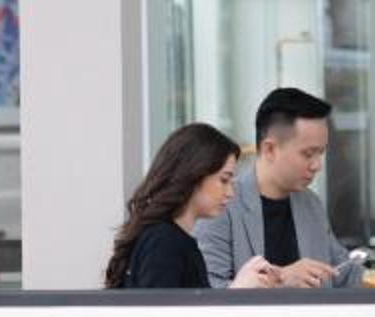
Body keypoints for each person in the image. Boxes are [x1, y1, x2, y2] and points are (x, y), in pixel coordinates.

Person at [199, 86, 363, 290]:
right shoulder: (222, 205)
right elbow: (206, 293)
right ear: (269, 149)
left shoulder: (311, 204)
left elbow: (341, 272)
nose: (317, 165)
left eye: (321, 153)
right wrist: (280, 279)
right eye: (308, 154)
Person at [106, 122, 280, 290]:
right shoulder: (164, 242)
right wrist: (237, 288)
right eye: (224, 180)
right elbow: (162, 310)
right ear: (195, 174)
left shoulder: (173, 240)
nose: (230, 193)